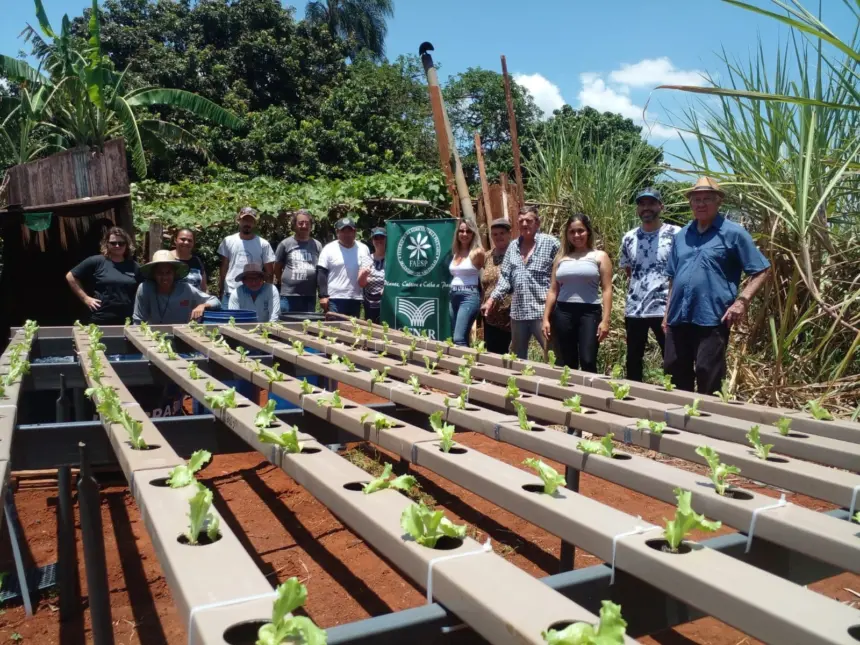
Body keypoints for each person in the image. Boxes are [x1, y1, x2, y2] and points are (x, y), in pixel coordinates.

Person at [663, 177, 770, 393]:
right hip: (678, 317)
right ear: (690, 203)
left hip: (711, 317)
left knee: (708, 372)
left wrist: (742, 301)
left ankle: (708, 423)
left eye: (707, 199)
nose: (701, 204)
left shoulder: (734, 233)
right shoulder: (682, 235)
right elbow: (673, 277)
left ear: (718, 202)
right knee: (674, 371)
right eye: (696, 199)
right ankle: (679, 422)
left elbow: (761, 269)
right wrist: (666, 315)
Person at [619, 188, 680, 381]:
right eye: (642, 204)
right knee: (633, 359)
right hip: (635, 309)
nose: (646, 208)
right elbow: (629, 271)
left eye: (651, 203)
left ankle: (672, 400)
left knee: (672, 359)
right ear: (637, 209)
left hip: (665, 309)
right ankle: (633, 401)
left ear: (660, 206)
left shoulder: (676, 234)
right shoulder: (629, 238)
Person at [483, 206, 560, 359]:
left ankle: (555, 383)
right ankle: (519, 383)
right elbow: (505, 277)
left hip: (542, 312)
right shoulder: (512, 247)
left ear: (537, 223)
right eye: (521, 221)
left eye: (529, 221)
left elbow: (564, 270)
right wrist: (492, 299)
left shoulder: (551, 243)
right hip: (518, 313)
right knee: (517, 358)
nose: (525, 224)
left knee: (552, 355)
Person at [542, 214, 612, 372]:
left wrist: (606, 320)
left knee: (588, 360)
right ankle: (571, 394)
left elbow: (607, 289)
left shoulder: (599, 256)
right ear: (567, 234)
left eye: (580, 231)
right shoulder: (561, 258)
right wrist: (546, 318)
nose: (576, 235)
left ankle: (590, 395)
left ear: (588, 232)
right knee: (567, 361)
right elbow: (553, 290)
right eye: (572, 232)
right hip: (563, 312)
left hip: (589, 312)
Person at [66, 227, 141, 325]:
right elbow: (70, 276)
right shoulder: (97, 261)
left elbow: (144, 288)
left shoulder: (134, 266)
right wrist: (85, 298)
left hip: (127, 319)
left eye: (121, 243)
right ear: (107, 244)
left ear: (127, 245)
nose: (117, 245)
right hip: (100, 317)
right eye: (113, 243)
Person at [133, 251, 220, 324]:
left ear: (174, 274)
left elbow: (215, 301)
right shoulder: (145, 289)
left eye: (168, 273)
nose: (164, 277)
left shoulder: (186, 289)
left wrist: (202, 305)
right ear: (154, 274)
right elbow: (138, 320)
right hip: (153, 336)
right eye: (160, 273)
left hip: (182, 335)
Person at [217, 206, 276, 307]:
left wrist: (267, 294)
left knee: (252, 322)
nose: (247, 223)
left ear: (254, 223)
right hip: (230, 291)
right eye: (244, 220)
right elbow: (224, 268)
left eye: (250, 221)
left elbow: (269, 272)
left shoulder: (263, 244)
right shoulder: (228, 241)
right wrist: (221, 289)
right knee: (228, 322)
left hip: (254, 293)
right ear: (239, 220)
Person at [317, 217, 371, 317]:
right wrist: (323, 296)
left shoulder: (363, 249)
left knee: (353, 330)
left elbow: (367, 273)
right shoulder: (328, 248)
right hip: (334, 298)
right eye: (343, 231)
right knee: (334, 330)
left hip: (355, 298)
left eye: (350, 231)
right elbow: (321, 273)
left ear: (355, 232)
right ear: (337, 232)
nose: (347, 234)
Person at [274, 209, 322, 314]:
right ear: (295, 225)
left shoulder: (317, 245)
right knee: (287, 326)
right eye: (300, 223)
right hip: (289, 295)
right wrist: (284, 280)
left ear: (311, 225)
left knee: (308, 326)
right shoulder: (285, 244)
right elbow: (277, 267)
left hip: (309, 296)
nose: (304, 226)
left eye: (307, 223)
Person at [448, 218, 486, 346]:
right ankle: (464, 363)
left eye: (468, 231)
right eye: (461, 231)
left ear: (473, 233)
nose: (464, 234)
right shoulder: (455, 252)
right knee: (457, 336)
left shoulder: (477, 252)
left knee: (458, 338)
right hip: (453, 296)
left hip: (469, 296)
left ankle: (463, 365)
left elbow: (486, 274)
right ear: (457, 233)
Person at [480, 219, 513, 354]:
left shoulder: (516, 255)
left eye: (502, 233)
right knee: (493, 353)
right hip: (490, 315)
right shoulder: (488, 256)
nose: (498, 237)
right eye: (495, 234)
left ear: (509, 234)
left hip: (510, 316)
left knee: (512, 354)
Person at [359, 227, 387, 324]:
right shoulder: (366, 259)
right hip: (369, 302)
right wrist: (364, 275)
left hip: (386, 302)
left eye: (382, 237)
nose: (379, 240)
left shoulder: (392, 259)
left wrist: (387, 288)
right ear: (372, 240)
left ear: (386, 239)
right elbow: (361, 283)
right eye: (376, 238)